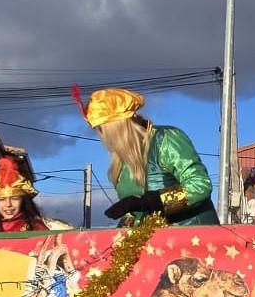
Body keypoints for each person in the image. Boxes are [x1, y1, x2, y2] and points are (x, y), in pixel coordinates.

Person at [76, 86, 219, 226]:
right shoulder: (121, 162)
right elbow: (133, 214)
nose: (101, 136)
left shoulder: (165, 139)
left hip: (191, 235)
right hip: (154, 238)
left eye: (101, 129)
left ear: (116, 127)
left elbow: (200, 186)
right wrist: (116, 235)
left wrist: (148, 202)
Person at [0, 155, 50, 232]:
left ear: (23, 201)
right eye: (2, 199)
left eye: (14, 199)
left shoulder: (36, 227)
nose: (8, 204)